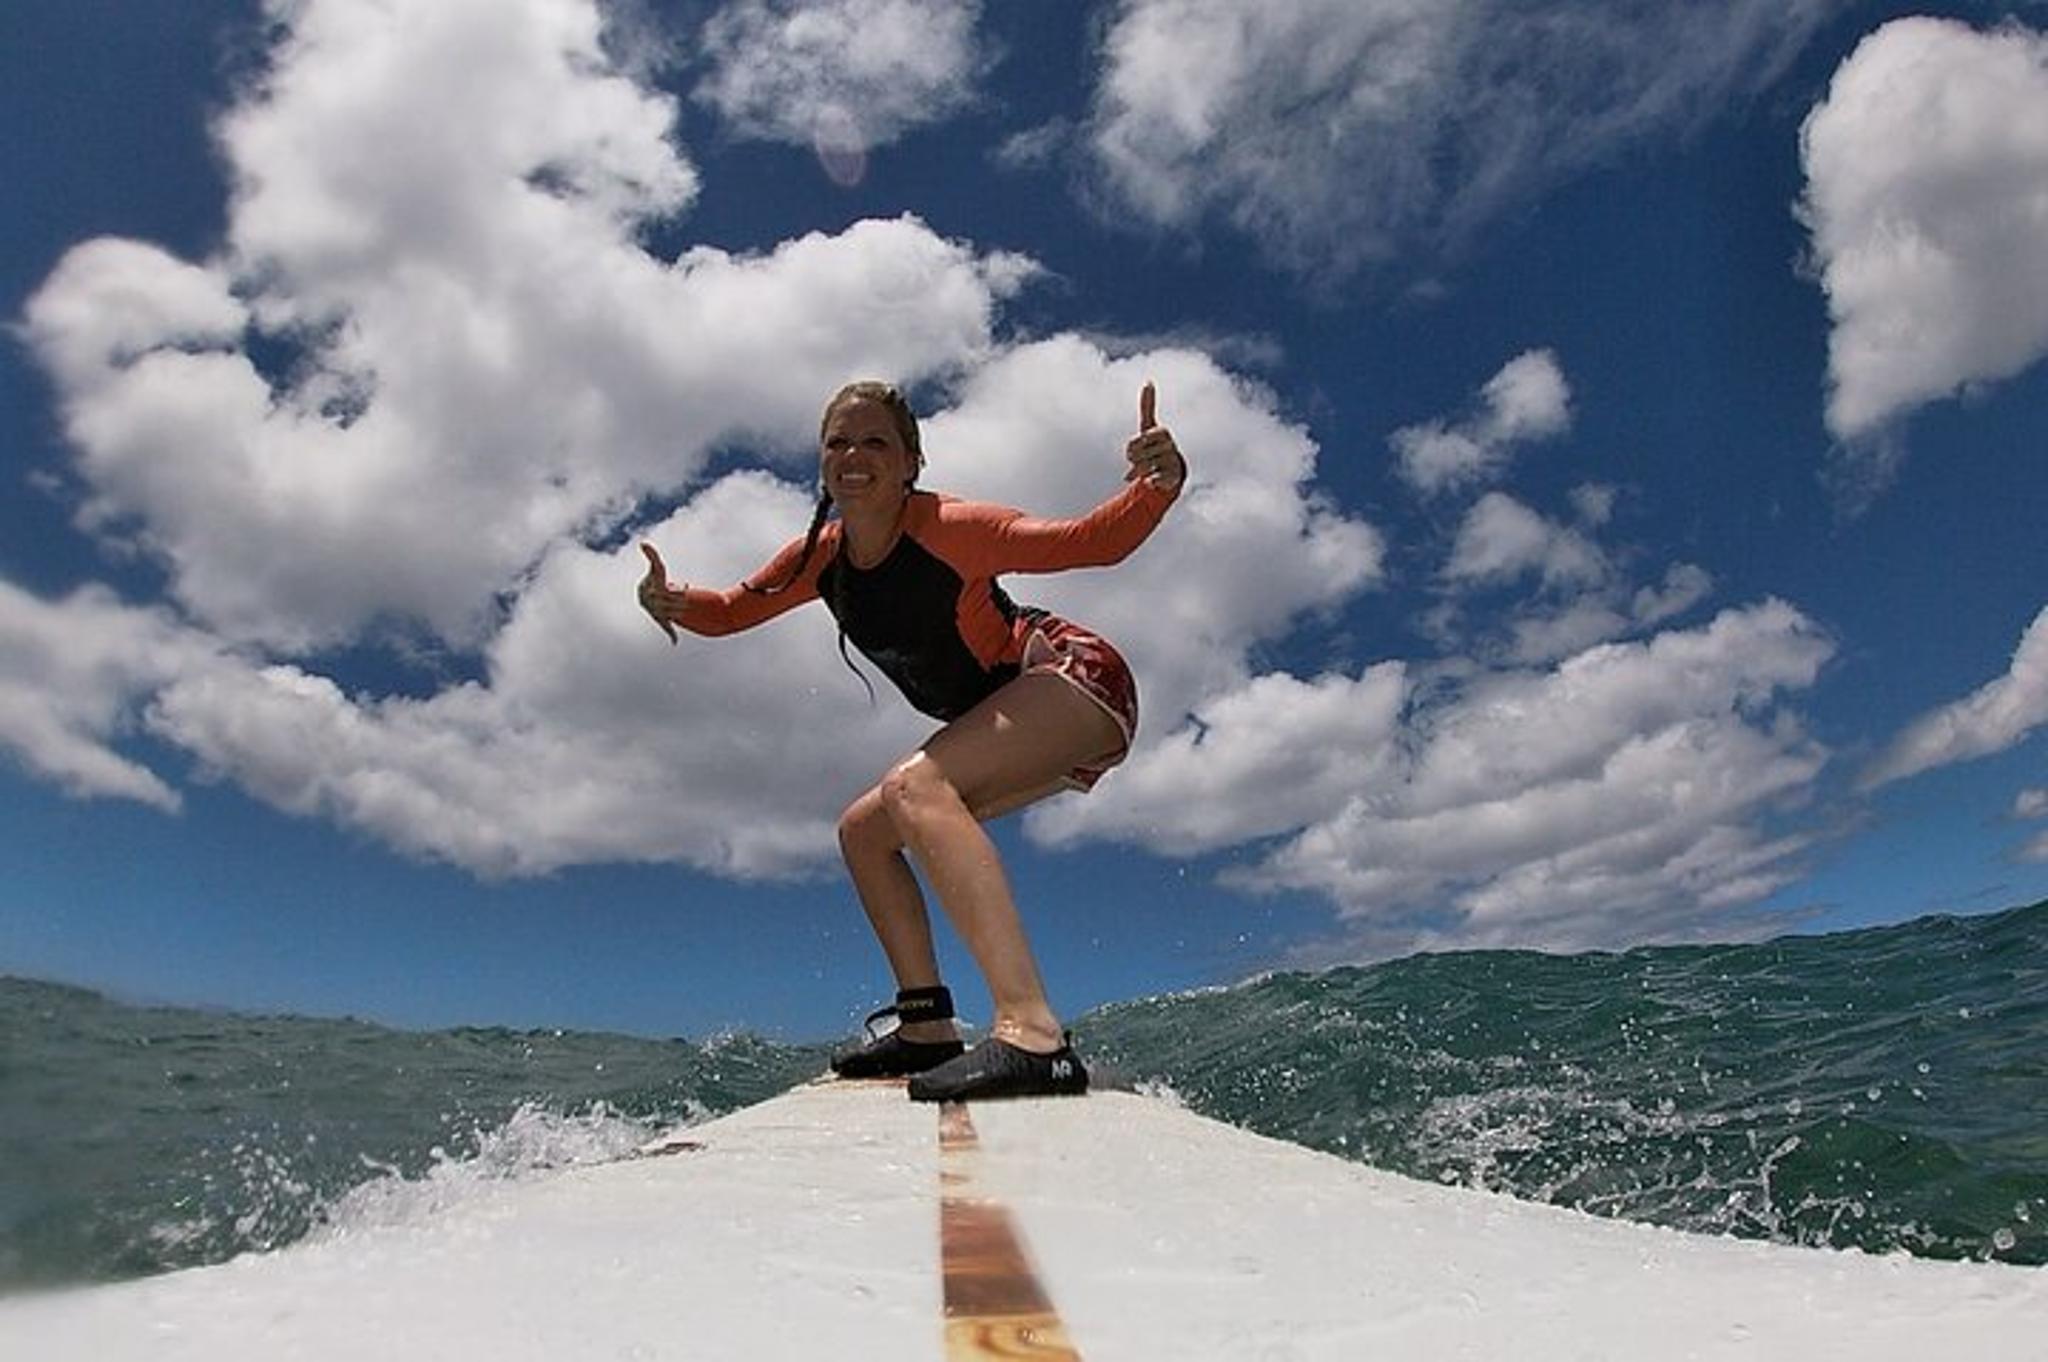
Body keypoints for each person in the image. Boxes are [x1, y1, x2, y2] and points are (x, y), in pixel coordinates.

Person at [636, 379, 1186, 1101]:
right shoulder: (820, 557)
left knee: (914, 786)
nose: (853, 455)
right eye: (838, 442)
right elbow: (735, 610)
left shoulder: (954, 528)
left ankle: (1033, 1035)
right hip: (1021, 714)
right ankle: (926, 1024)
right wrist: (671, 601)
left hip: (1080, 680)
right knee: (865, 831)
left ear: (910, 463)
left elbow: (1092, 541)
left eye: (875, 442)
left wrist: (1159, 482)